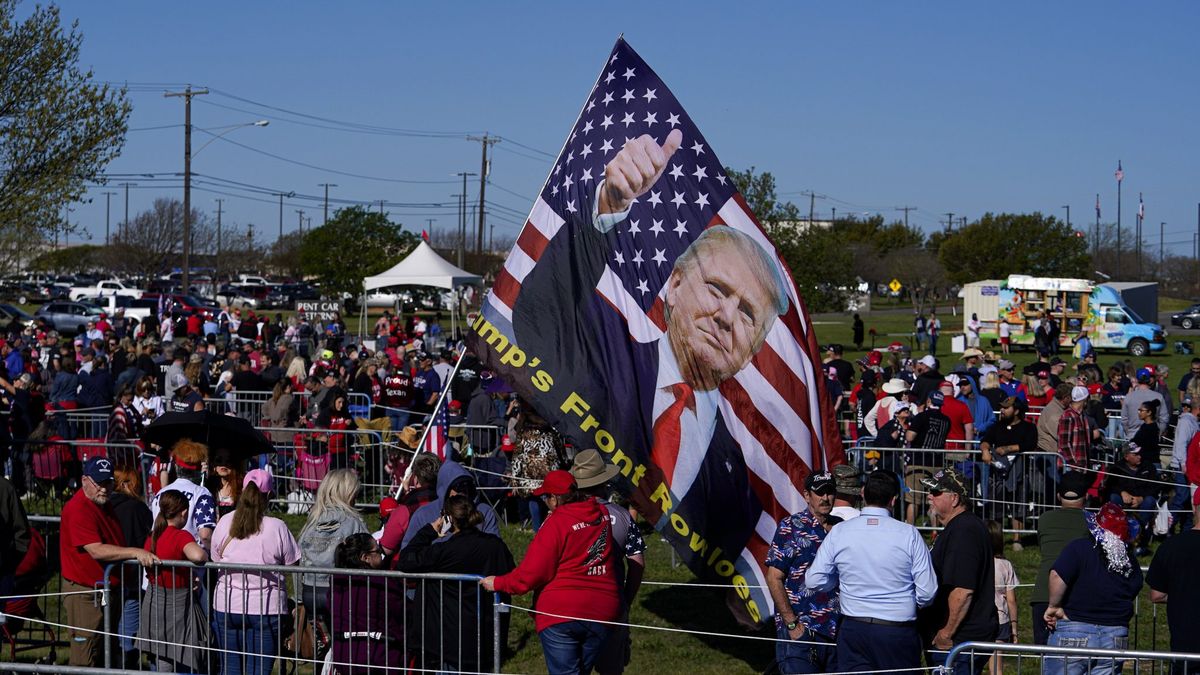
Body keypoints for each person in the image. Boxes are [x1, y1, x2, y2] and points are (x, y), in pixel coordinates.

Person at [481, 471, 620, 675]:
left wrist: (499, 583)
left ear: (555, 499)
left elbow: (532, 574)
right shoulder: (602, 514)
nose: (544, 501)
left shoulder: (556, 523)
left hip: (561, 611)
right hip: (602, 609)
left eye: (546, 497)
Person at [805, 470, 937, 673]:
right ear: (894, 500)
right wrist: (905, 601)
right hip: (896, 629)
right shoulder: (909, 534)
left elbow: (814, 580)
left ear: (863, 493)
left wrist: (838, 581)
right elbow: (927, 591)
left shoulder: (840, 531)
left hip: (854, 628)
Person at [60, 457, 160, 666]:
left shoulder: (104, 505)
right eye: (99, 483)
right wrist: (134, 552)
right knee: (85, 655)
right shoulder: (79, 508)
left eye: (108, 482)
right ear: (84, 480)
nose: (105, 489)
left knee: (106, 652)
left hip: (105, 591)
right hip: (85, 594)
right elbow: (96, 550)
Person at [399, 495, 516, 673]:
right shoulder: (496, 546)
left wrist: (430, 530)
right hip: (485, 636)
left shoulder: (445, 551)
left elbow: (406, 559)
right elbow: (510, 574)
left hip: (451, 641)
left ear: (448, 519)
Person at [211, 469, 301, 675]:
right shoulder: (277, 527)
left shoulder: (225, 522)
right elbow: (293, 565)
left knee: (230, 669)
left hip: (227, 605)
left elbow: (215, 558)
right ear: (269, 496)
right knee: (259, 670)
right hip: (266, 608)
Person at [568, 449, 645, 675]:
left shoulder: (561, 517)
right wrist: (627, 599)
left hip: (570, 606)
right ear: (604, 482)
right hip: (611, 602)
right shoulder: (622, 516)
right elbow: (637, 563)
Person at [1044, 503, 1144, 675]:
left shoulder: (1079, 548)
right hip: (1115, 636)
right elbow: (1134, 588)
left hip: (1075, 629)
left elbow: (1057, 575)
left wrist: (1054, 606)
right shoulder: (1130, 562)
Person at [920, 468, 998, 675]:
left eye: (936, 493)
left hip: (958, 641)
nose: (929, 496)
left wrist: (946, 633)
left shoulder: (965, 531)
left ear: (954, 498)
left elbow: (963, 590)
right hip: (958, 640)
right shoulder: (960, 527)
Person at [765, 471, 840, 674]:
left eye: (830, 492)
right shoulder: (791, 527)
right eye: (820, 493)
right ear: (807, 495)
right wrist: (791, 624)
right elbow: (774, 577)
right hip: (803, 630)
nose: (826, 498)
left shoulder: (843, 528)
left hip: (839, 631)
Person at [137, 489, 211, 673]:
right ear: (184, 512)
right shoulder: (180, 535)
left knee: (163, 655)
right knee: (184, 654)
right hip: (177, 604)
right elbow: (199, 555)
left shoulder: (153, 536)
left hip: (154, 601)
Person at [329, 532, 409, 675]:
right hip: (379, 659)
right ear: (365, 558)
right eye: (378, 551)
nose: (382, 555)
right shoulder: (382, 584)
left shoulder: (336, 584)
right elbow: (405, 612)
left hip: (344, 657)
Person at [298, 468, 368, 625]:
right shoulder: (354, 522)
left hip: (310, 590)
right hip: (339, 591)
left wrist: (298, 597)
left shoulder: (313, 521)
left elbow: (299, 555)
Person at [1030, 472, 1092, 645]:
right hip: (1076, 593)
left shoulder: (1044, 519)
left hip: (1044, 592)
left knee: (1045, 654)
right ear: (1086, 496)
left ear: (1059, 495)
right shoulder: (1092, 522)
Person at [1147, 492, 1200, 662]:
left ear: (1193, 508)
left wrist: (1182, 596)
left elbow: (1157, 595)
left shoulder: (1171, 547)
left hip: (1185, 647)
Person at [109, 466, 152, 668]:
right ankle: (125, 666)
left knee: (111, 628)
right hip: (132, 578)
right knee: (127, 631)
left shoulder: (104, 506)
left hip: (108, 575)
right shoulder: (138, 508)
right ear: (128, 484)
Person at [1102, 442, 1160, 556]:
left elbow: (1155, 486)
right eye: (1135, 454)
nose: (1140, 456)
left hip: (1141, 500)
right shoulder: (1116, 468)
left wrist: (1141, 498)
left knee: (1150, 500)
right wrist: (1122, 492)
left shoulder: (1148, 467)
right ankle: (1118, 534)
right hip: (1124, 501)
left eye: (1139, 453)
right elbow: (1109, 486)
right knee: (1113, 497)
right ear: (1127, 456)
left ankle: (1138, 534)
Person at [905, 390, 951, 524]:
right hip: (938, 463)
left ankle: (910, 530)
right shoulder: (946, 420)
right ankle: (935, 532)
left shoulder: (921, 417)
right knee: (934, 501)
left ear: (929, 401)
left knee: (913, 500)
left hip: (919, 462)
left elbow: (910, 436)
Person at [988, 520, 1019, 675]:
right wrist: (1014, 628)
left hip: (979, 619)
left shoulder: (976, 563)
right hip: (1001, 619)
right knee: (997, 668)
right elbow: (1011, 600)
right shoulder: (1006, 565)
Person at [1170, 396, 1198, 534]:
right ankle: (1166, 527)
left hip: (1187, 466)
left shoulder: (1193, 422)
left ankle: (1186, 529)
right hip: (1182, 466)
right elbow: (1182, 443)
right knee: (1181, 497)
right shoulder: (1187, 422)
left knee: (1186, 501)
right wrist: (1183, 463)